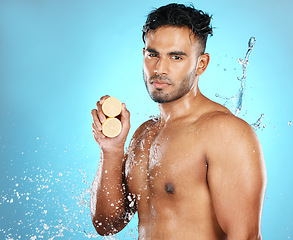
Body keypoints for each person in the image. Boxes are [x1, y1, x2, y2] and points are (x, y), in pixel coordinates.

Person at [90, 3, 267, 239]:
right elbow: (107, 225)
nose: (159, 68)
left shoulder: (225, 132)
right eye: (153, 54)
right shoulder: (144, 133)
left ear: (201, 64)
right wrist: (111, 150)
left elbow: (246, 237)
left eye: (176, 57)